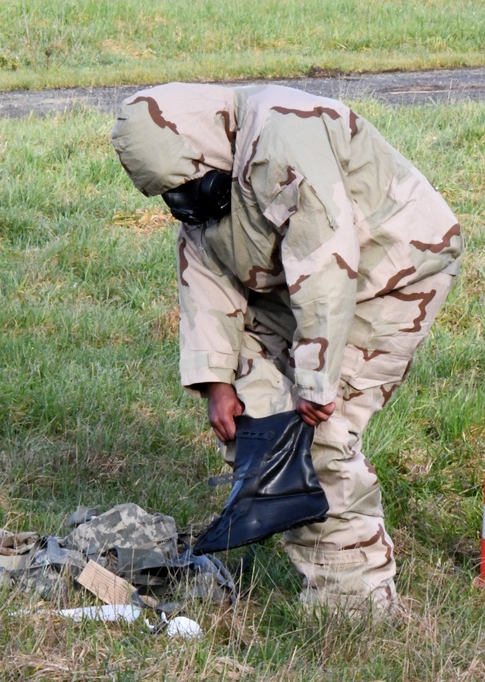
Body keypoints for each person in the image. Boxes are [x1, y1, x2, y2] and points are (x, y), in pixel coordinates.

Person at [110, 82, 462, 613]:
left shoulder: (284, 133)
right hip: (285, 285)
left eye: (194, 189)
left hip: (387, 275)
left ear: (212, 143)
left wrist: (316, 382)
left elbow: (325, 264)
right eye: (172, 198)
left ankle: (355, 607)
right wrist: (217, 383)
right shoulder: (202, 183)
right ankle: (276, 498)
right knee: (259, 424)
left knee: (320, 437)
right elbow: (205, 273)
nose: (186, 205)